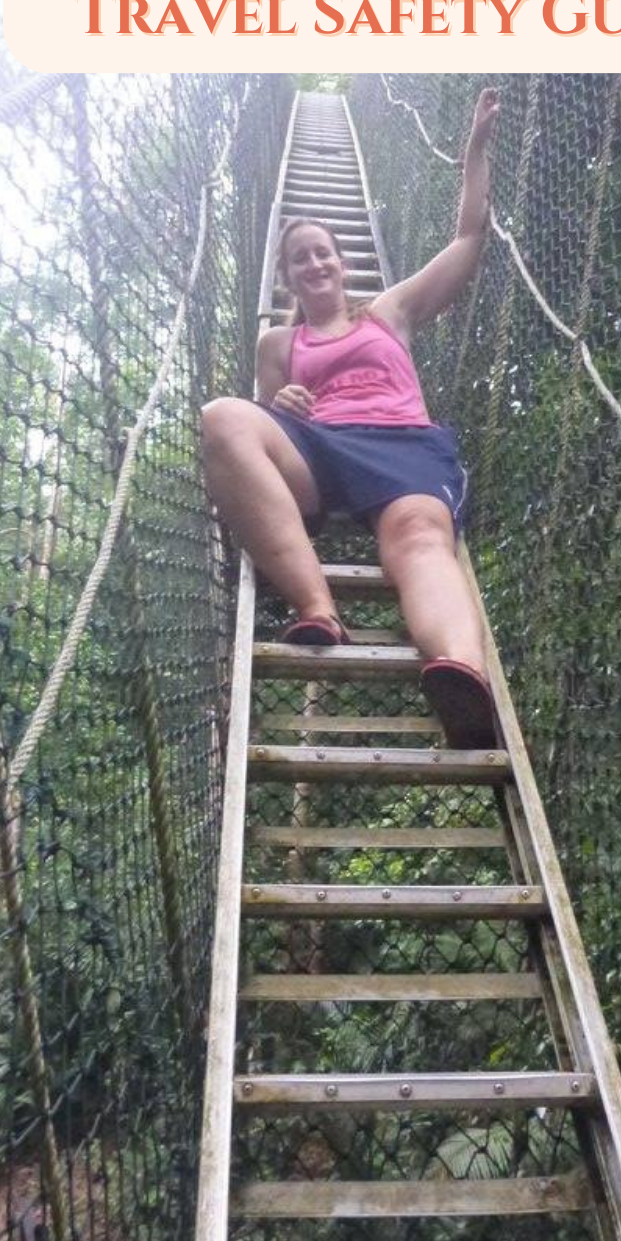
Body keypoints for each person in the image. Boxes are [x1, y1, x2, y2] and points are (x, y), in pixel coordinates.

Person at [201, 87, 500, 748]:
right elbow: (266, 430)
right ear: (289, 277)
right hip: (318, 450)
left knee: (420, 538)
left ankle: (462, 676)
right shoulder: (278, 343)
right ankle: (317, 608)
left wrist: (475, 149)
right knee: (224, 418)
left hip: (402, 445)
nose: (314, 262)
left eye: (322, 252)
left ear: (342, 263)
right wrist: (278, 404)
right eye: (299, 257)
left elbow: (468, 239)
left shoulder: (389, 313)